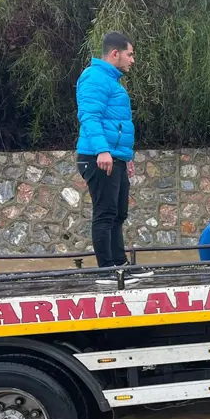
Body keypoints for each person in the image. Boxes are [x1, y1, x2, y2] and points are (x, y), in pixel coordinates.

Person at [76, 31, 138, 271]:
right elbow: (90, 116)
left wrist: (126, 157)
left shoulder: (110, 81)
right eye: (129, 54)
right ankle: (108, 270)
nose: (132, 60)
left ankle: (120, 265)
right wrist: (102, 150)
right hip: (98, 157)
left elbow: (117, 124)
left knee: (118, 213)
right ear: (115, 54)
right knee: (105, 213)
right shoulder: (95, 77)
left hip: (115, 157)